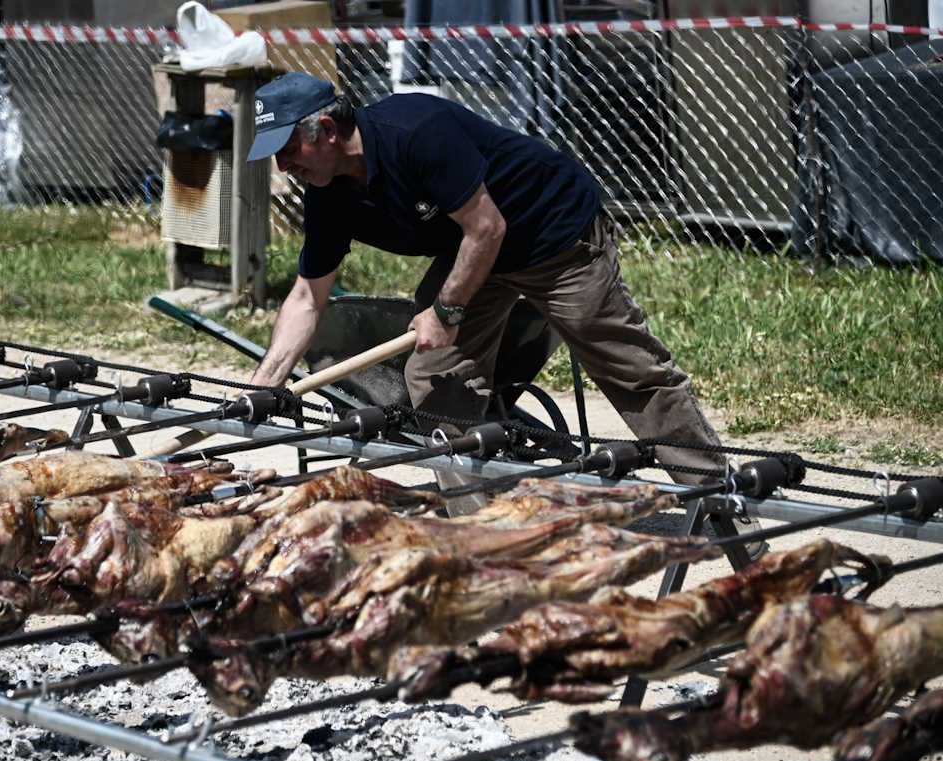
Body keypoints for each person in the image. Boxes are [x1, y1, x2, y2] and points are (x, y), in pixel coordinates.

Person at [245, 71, 726, 487]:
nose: (283, 167)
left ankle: (721, 495)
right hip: (475, 252)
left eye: (287, 150)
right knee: (434, 375)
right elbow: (308, 297)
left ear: (327, 130)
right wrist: (264, 387)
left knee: (630, 371)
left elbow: (488, 226)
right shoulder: (328, 193)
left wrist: (446, 311)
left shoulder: (415, 132)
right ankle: (476, 517)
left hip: (553, 235)